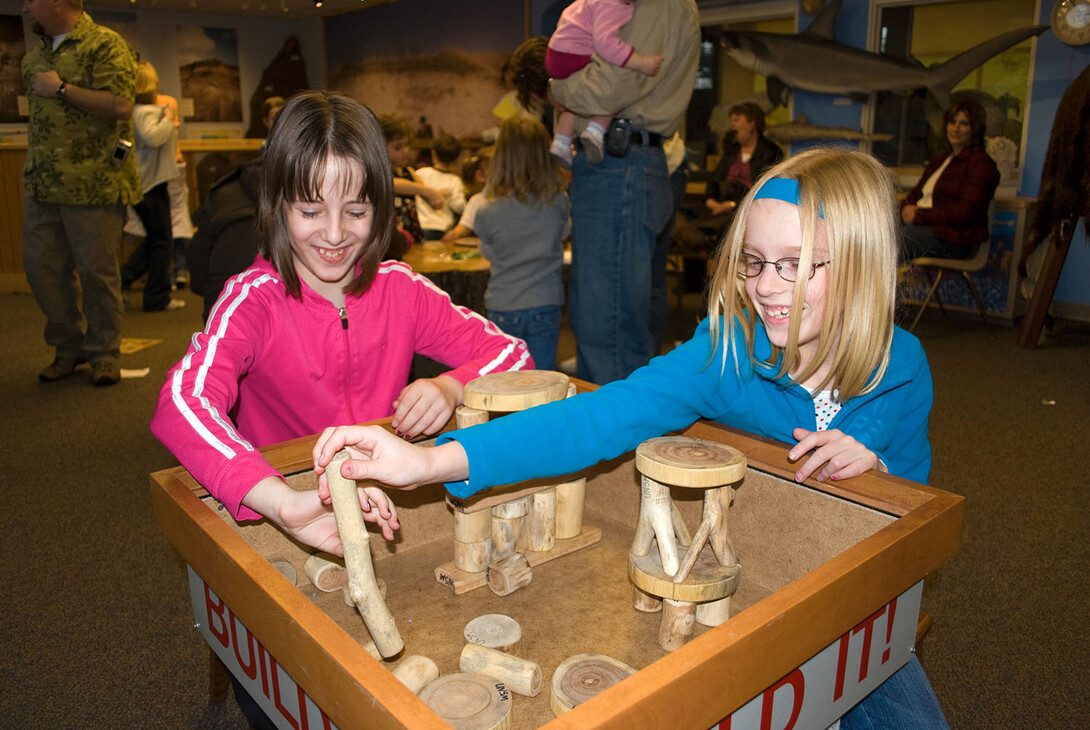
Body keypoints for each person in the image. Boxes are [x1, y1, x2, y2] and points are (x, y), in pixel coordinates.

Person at [313, 148, 948, 730]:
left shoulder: (904, 362)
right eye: (755, 263)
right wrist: (427, 462)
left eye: (797, 265)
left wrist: (873, 462)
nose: (767, 288)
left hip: (861, 605)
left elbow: (907, 520)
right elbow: (596, 417)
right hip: (762, 586)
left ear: (860, 263)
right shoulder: (725, 352)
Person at [150, 90, 532, 556]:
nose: (334, 235)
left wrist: (451, 387)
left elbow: (514, 354)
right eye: (310, 211)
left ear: (380, 209)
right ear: (277, 206)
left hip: (390, 493)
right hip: (289, 503)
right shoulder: (253, 300)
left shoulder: (401, 288)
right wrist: (280, 500)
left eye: (355, 212)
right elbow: (182, 402)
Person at [509, 0, 700, 385]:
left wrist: (556, 84)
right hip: (618, 159)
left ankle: (619, 442)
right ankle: (619, 432)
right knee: (613, 316)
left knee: (606, 323)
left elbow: (612, 84)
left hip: (621, 161)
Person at [21, 0, 140, 386]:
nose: (25, 9)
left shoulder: (104, 44)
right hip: (43, 183)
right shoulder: (34, 57)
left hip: (93, 183)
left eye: (30, 1)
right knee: (43, 270)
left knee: (96, 273)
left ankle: (104, 353)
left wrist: (60, 88)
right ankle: (67, 347)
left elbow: (121, 105)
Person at [474, 117, 570, 371]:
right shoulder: (559, 202)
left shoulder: (487, 211)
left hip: (503, 305)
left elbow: (488, 251)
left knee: (505, 382)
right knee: (542, 381)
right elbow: (564, 233)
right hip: (545, 303)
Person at [544, 0, 664, 167]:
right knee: (614, 82)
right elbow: (606, 45)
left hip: (557, 54)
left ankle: (561, 141)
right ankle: (596, 131)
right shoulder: (611, 5)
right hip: (574, 53)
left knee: (579, 95)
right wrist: (640, 62)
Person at [119, 61, 185, 313]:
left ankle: (123, 279)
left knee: (157, 240)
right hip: (151, 185)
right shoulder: (145, 112)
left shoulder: (130, 112)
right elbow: (152, 137)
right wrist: (168, 119)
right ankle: (157, 296)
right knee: (162, 241)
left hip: (144, 184)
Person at [900, 99, 1000, 261]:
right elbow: (915, 195)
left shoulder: (982, 165)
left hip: (955, 239)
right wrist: (903, 210)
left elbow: (963, 214)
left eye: (964, 124)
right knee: (872, 235)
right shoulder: (940, 161)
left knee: (895, 241)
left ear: (975, 129)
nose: (956, 128)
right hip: (923, 228)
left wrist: (919, 215)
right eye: (952, 122)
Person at [186, 157, 262, 322]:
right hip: (285, 312)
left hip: (221, 306)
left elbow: (198, 264)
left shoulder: (222, 191)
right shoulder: (304, 192)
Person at [700, 102, 784, 231]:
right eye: (731, 121)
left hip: (749, 210)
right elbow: (715, 179)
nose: (732, 125)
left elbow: (767, 189)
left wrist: (733, 205)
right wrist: (710, 201)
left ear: (752, 123)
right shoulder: (732, 150)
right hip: (721, 205)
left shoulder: (771, 152)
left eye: (737, 120)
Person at [378, 112, 445, 254]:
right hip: (392, 239)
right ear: (380, 147)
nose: (406, 151)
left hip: (413, 234)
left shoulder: (409, 172)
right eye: (398, 147)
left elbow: (425, 191)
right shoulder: (380, 173)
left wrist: (435, 195)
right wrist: (426, 191)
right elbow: (392, 184)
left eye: (408, 146)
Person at [413, 134, 467, 240]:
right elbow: (460, 207)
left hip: (421, 225)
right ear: (456, 158)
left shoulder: (420, 173)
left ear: (433, 153)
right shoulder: (455, 180)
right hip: (443, 228)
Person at [442, 146, 494, 242]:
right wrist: (454, 234)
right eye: (495, 171)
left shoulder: (517, 198)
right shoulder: (477, 201)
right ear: (480, 176)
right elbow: (465, 226)